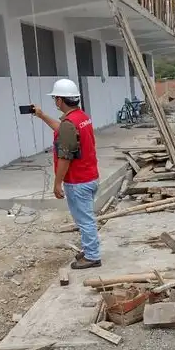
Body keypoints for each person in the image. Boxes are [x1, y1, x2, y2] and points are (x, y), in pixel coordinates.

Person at [32, 79, 102, 269]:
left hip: (78, 181)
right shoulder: (80, 117)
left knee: (84, 219)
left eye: (55, 98)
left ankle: (93, 256)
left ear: (59, 100)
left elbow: (65, 158)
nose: (55, 101)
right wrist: (42, 116)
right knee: (85, 217)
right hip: (90, 176)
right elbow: (62, 130)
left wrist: (57, 183)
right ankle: (90, 249)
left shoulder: (70, 124)